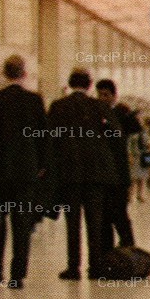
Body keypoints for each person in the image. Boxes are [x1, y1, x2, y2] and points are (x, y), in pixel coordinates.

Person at [0, 56, 51, 289]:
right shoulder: (34, 100)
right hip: (26, 172)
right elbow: (43, 136)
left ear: (4, 73)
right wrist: (42, 165)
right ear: (24, 73)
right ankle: (17, 275)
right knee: (22, 224)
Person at [49, 69, 109, 281]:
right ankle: (96, 267)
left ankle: (73, 267)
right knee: (95, 222)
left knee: (72, 222)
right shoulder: (99, 107)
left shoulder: (58, 107)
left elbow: (52, 141)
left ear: (69, 83)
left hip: (69, 174)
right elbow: (110, 138)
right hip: (95, 174)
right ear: (90, 85)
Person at [95, 78, 138, 251]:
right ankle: (107, 252)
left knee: (120, 213)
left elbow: (135, 129)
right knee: (104, 216)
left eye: (106, 95)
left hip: (119, 174)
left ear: (114, 96)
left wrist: (124, 114)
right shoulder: (95, 115)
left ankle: (128, 245)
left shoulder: (121, 115)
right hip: (101, 174)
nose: (102, 98)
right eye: (99, 95)